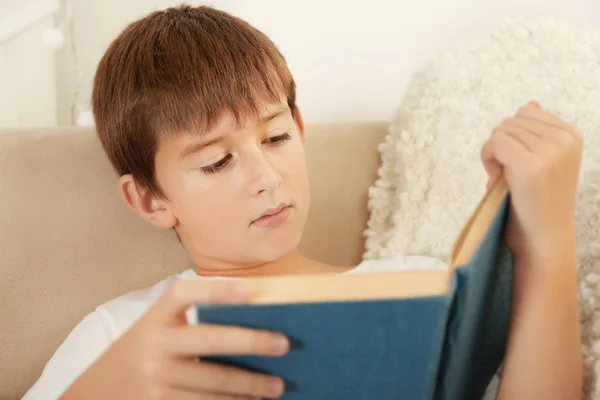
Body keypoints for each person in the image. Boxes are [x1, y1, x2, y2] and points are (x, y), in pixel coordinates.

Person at [24, 5, 583, 400]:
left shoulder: (418, 284)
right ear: (148, 199)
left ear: (300, 128)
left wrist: (550, 239)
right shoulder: (119, 333)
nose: (266, 177)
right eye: (217, 161)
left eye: (275, 138)